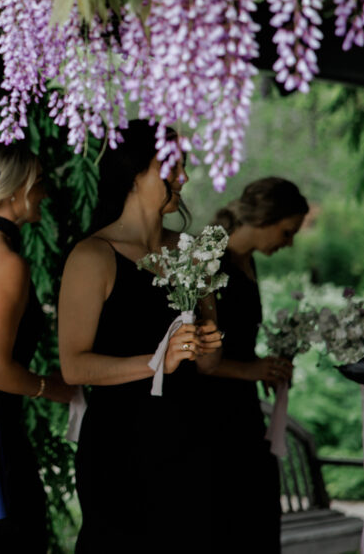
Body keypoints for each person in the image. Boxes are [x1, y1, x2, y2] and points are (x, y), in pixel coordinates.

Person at [57, 120, 223, 553]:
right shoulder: (93, 255)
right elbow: (74, 366)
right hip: (121, 443)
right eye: (170, 166)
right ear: (133, 173)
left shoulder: (190, 250)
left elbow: (208, 366)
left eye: (183, 166)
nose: (182, 177)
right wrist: (157, 360)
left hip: (191, 436)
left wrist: (207, 346)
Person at [0, 140, 78, 552]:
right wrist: (55, 389)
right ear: (15, 192)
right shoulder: (6, 260)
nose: (45, 194)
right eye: (40, 183)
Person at [200, 177, 307, 552]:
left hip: (242, 410)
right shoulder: (208, 260)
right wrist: (251, 370)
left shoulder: (247, 262)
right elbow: (196, 352)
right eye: (287, 231)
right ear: (266, 216)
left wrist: (266, 368)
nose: (288, 242)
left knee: (258, 518)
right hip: (207, 415)